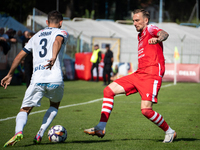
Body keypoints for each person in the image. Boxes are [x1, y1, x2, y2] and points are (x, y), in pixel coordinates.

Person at [84, 9, 176, 143]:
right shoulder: (140, 36)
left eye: (137, 20)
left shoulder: (150, 28)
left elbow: (164, 34)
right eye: (133, 20)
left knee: (146, 110)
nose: (134, 23)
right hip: (139, 73)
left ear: (146, 20)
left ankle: (170, 132)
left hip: (152, 74)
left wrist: (158, 39)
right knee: (108, 90)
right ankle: (101, 127)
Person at [1, 10, 68, 147]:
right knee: (54, 105)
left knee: (25, 109)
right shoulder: (62, 32)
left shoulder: (35, 36)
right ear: (61, 22)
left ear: (46, 22)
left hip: (37, 78)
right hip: (55, 78)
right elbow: (57, 41)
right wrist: (54, 57)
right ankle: (40, 132)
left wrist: (10, 74)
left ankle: (18, 132)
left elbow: (19, 56)